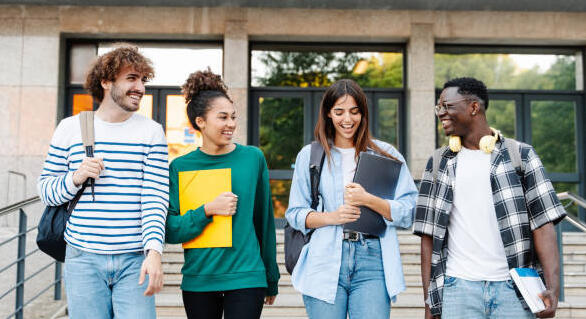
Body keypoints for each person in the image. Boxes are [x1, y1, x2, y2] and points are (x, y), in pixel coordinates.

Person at [413, 77, 566, 319]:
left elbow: (543, 225)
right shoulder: (438, 162)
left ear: (474, 107)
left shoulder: (521, 155)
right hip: (457, 289)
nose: (441, 113)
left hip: (514, 291)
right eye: (439, 107)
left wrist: (553, 287)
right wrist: (429, 301)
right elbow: (427, 236)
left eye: (448, 106)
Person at [37, 44, 168, 318]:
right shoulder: (70, 128)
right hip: (82, 258)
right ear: (106, 81)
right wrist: (75, 178)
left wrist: (154, 251)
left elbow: (155, 197)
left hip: (135, 260)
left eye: (143, 80)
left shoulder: (152, 133)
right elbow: (46, 191)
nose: (140, 88)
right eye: (131, 78)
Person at [285, 79, 418, 319]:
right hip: (324, 259)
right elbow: (295, 213)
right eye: (339, 112)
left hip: (373, 259)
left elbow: (410, 211)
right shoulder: (311, 155)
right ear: (328, 114)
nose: (347, 119)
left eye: (354, 112)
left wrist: (369, 200)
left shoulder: (385, 154)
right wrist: (333, 217)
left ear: (363, 114)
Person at [165, 69, 280, 319]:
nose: (231, 124)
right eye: (223, 117)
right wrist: (207, 210)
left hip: (247, 276)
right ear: (201, 122)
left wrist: (271, 277)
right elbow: (170, 229)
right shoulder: (180, 167)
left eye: (233, 117)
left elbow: (264, 222)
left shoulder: (252, 159)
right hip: (199, 279)